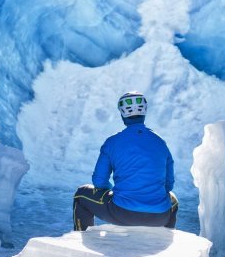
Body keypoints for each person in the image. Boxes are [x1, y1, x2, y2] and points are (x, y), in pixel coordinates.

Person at [73, 91, 178, 231]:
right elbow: (168, 186)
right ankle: (163, 240)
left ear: (122, 114)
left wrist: (116, 192)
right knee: (173, 200)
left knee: (81, 194)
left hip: (122, 212)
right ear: (144, 112)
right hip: (160, 216)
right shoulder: (160, 143)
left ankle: (81, 237)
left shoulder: (112, 142)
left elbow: (99, 181)